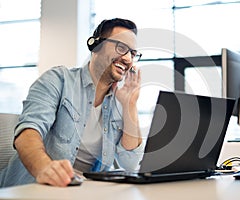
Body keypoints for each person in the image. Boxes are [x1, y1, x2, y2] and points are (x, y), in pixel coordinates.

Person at [0, 18, 144, 187]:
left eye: (133, 54)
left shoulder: (120, 101)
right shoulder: (58, 80)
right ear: (96, 45)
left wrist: (130, 106)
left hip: (84, 192)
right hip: (33, 189)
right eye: (121, 48)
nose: (128, 59)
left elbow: (130, 164)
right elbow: (27, 133)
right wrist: (44, 168)